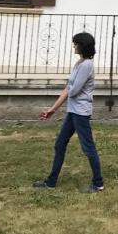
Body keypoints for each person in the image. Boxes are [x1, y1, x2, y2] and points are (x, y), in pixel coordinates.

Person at [32, 32, 105, 192]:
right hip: (73, 111)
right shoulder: (79, 63)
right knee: (60, 145)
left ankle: (98, 183)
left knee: (88, 147)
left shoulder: (87, 65)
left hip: (80, 113)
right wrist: (53, 109)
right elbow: (68, 88)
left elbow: (73, 90)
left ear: (82, 46)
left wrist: (67, 93)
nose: (74, 46)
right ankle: (51, 182)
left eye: (76, 43)